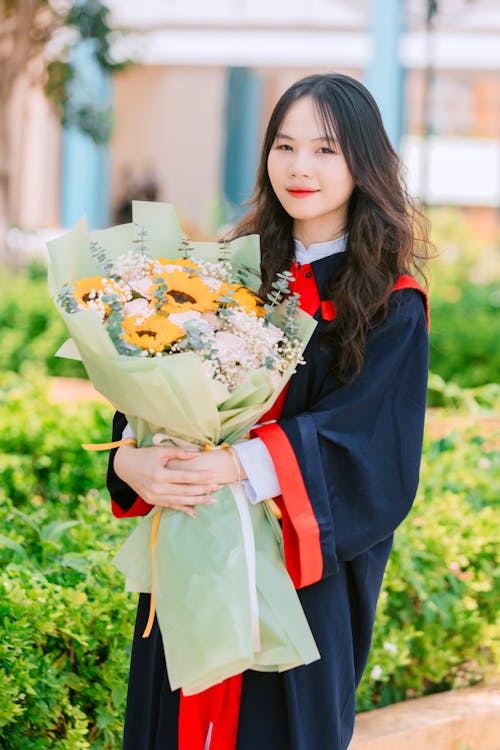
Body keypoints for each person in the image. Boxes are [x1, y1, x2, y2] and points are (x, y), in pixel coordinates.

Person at [107, 72, 431, 750]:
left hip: (297, 587)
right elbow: (151, 393)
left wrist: (234, 467)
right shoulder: (226, 276)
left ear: (363, 163)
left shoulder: (390, 304)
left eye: (325, 149)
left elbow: (370, 447)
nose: (299, 167)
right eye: (284, 147)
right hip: (193, 564)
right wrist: (133, 460)